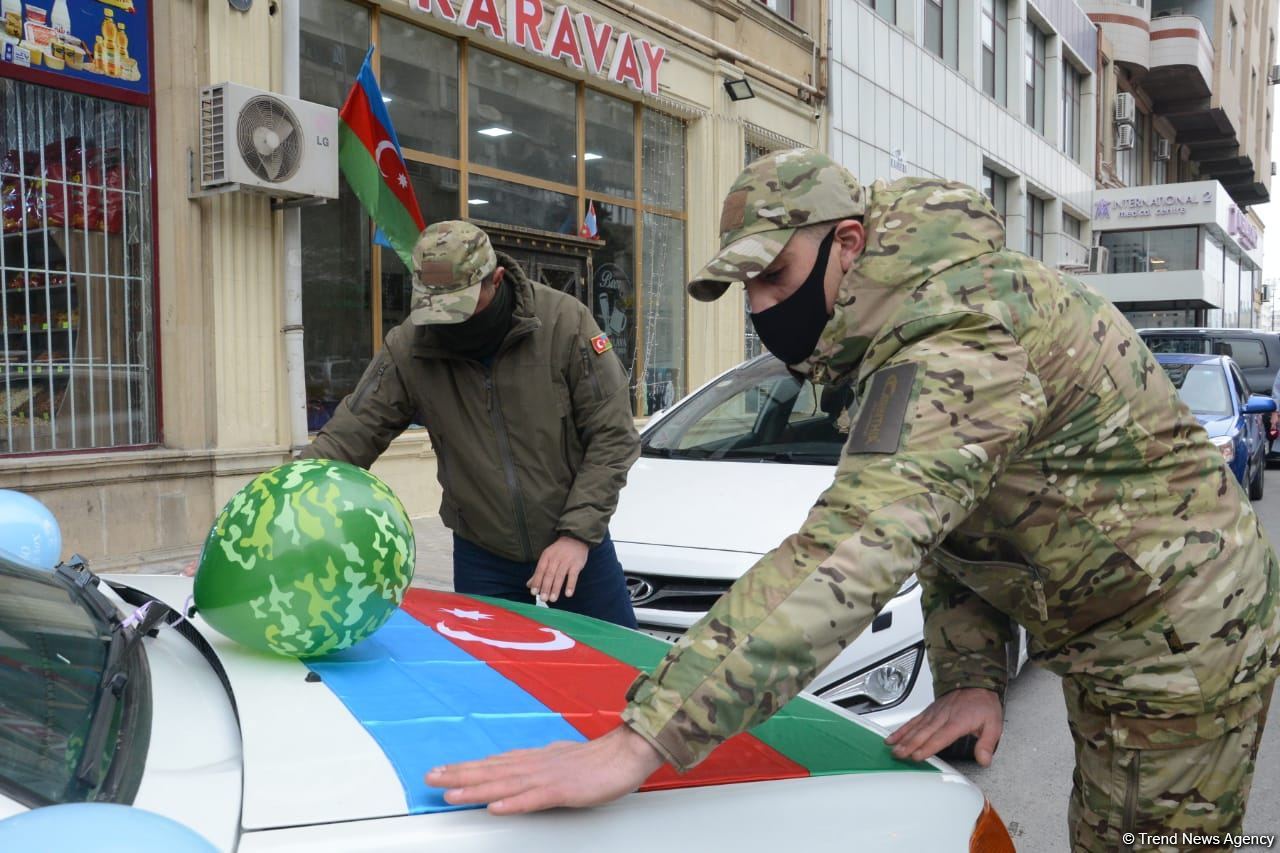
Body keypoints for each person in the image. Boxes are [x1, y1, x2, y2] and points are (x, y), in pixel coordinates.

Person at [426, 151, 1279, 851]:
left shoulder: (958, 332)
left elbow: (855, 544)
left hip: (1182, 644)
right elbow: (957, 526)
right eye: (746, 290)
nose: (762, 308)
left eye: (775, 277)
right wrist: (977, 675)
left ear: (850, 242)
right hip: (1111, 621)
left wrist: (642, 739)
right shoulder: (891, 326)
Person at [300, 221, 640, 627]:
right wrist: (268, 514)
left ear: (495, 280)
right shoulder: (410, 348)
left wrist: (577, 534)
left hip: (576, 544)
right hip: (484, 553)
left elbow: (613, 435)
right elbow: (346, 439)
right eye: (434, 307)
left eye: (459, 306)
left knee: (616, 671)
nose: (446, 323)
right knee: (493, 681)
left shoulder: (564, 324)